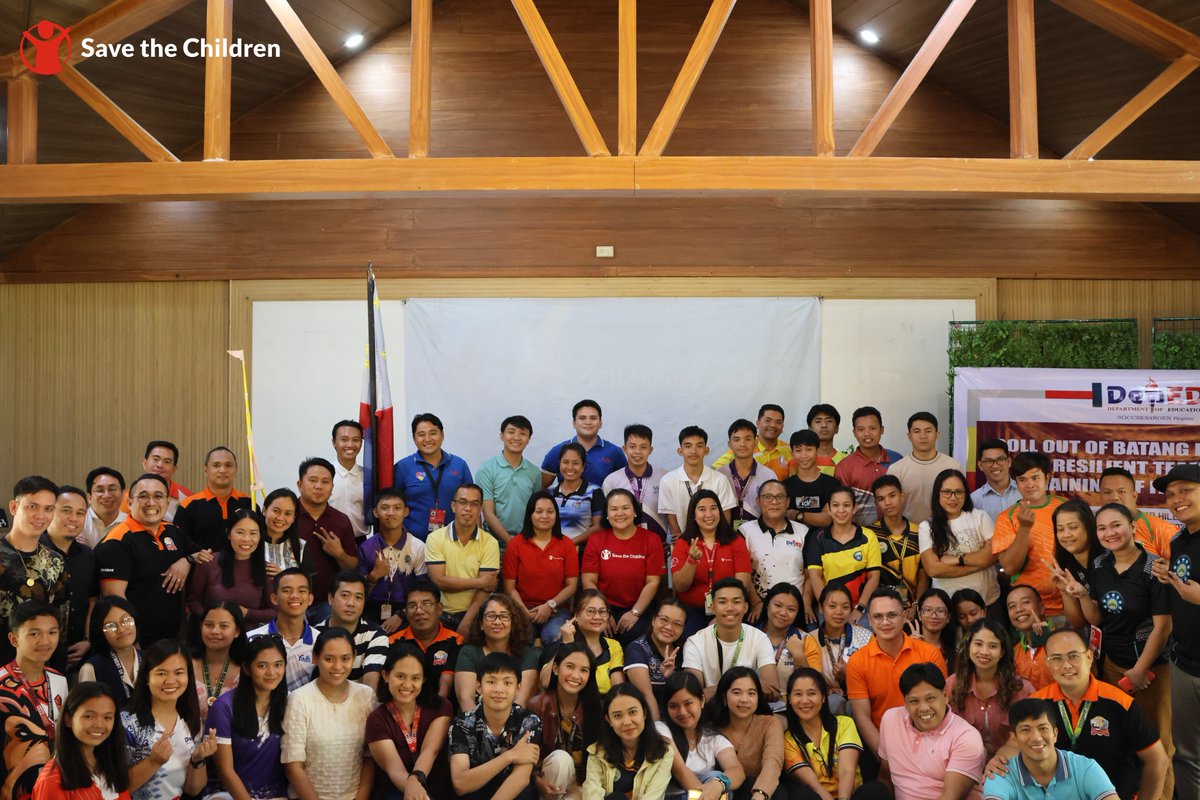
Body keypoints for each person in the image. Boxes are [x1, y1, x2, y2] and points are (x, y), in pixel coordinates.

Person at [1049, 503, 1173, 799]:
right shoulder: (1099, 565)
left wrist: (1141, 668)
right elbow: (1097, 619)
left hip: (1152, 669)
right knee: (1118, 738)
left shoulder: (1152, 568)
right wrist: (1080, 595)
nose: (1109, 533)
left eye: (1116, 525)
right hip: (1111, 665)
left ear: (1133, 527)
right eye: (1102, 528)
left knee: (1157, 743)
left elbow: (1163, 627)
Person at [987, 627, 1168, 800]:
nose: (1066, 665)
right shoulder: (1038, 703)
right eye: (1056, 659)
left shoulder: (1120, 703)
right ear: (1048, 663)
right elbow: (1014, 744)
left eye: (1073, 656)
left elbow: (1157, 759)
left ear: (1089, 657)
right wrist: (999, 759)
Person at [97, 473, 208, 646]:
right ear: (130, 503)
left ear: (167, 502)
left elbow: (203, 554)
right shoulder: (117, 540)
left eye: (158, 496)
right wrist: (133, 644)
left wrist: (187, 560)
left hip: (171, 640)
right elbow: (113, 600)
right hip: (135, 642)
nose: (151, 503)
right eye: (143, 496)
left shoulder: (173, 531)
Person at [1149, 463, 1200, 800]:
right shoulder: (1180, 540)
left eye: (1186, 490)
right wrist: (1167, 576)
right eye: (1170, 494)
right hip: (1185, 664)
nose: (1177, 498)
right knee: (1187, 755)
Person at [845, 588, 947, 755]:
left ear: (905, 616)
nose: (885, 622)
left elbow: (942, 706)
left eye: (892, 615)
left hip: (930, 742)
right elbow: (862, 717)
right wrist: (885, 757)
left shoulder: (929, 654)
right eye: (878, 616)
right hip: (883, 744)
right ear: (869, 620)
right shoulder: (857, 661)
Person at [281, 628, 376, 800]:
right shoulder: (299, 699)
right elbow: (293, 765)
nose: (338, 667)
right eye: (329, 659)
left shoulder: (366, 696)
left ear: (354, 657)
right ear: (315, 657)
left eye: (345, 658)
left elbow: (370, 757)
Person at [121, 641, 217, 800]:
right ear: (146, 676)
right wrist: (153, 762)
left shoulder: (193, 722)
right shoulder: (127, 723)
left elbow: (193, 790)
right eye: (161, 673)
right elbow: (117, 787)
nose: (170, 681)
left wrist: (198, 760)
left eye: (179, 673)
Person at [877, 663, 985, 800]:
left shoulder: (966, 737)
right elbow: (885, 778)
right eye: (914, 701)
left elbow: (950, 796)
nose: (924, 708)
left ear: (945, 696)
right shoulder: (891, 719)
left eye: (931, 698)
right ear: (905, 703)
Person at [365, 641, 455, 800]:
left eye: (415, 678)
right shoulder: (377, 719)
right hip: (397, 791)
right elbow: (395, 770)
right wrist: (418, 793)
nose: (407, 684)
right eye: (400, 676)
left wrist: (416, 780)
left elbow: (430, 750)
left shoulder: (441, 706)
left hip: (439, 789)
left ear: (424, 679)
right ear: (386, 675)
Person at [448, 652, 543, 800]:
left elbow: (520, 778)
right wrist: (510, 756)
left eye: (507, 683)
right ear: (478, 687)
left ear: (518, 689)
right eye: (491, 682)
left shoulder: (529, 721)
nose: (499, 689)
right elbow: (460, 784)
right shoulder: (462, 724)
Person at [782, 668, 888, 800]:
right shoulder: (788, 739)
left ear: (823, 697)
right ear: (790, 699)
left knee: (876, 790)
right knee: (802, 795)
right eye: (798, 694)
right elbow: (813, 785)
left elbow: (846, 772)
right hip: (820, 797)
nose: (804, 700)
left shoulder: (844, 724)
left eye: (811, 693)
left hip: (851, 796)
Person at [981, 698, 1118, 800]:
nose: (1036, 737)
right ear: (1014, 738)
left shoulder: (1085, 768)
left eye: (1043, 728)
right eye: (1025, 730)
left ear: (1055, 734)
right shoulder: (1001, 773)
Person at [0, 602, 70, 800]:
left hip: (52, 788)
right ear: (14, 639)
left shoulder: (59, 680)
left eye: (52, 632)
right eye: (34, 633)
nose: (45, 641)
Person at [209, 634, 289, 800]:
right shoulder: (223, 707)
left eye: (278, 665)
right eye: (262, 665)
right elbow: (225, 771)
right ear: (246, 668)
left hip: (275, 794)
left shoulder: (291, 702)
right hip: (227, 793)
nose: (271, 672)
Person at [581, 490, 664, 645]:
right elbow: (589, 581)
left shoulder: (651, 539)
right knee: (597, 636)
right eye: (613, 509)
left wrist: (635, 613)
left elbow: (652, 582)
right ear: (606, 514)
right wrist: (602, 613)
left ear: (635, 512)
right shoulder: (596, 540)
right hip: (603, 605)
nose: (620, 513)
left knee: (637, 638)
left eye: (625, 508)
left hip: (640, 607)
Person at [2, 478, 70, 665]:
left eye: (48, 509)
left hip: (41, 666)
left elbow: (60, 618)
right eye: (33, 507)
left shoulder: (55, 560)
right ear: (14, 507)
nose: (41, 515)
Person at [992, 452, 1066, 619]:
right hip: (1028, 611)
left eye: (1035, 478)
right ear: (1016, 482)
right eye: (1022, 479)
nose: (1029, 484)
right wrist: (1024, 529)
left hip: (1069, 606)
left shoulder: (1066, 508)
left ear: (1047, 477)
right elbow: (1010, 568)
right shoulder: (1007, 518)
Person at [945, 619, 1034, 758]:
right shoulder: (952, 684)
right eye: (978, 644)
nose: (984, 652)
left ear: (1002, 651)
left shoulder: (1022, 689)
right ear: (968, 647)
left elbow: (1032, 732)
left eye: (992, 646)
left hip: (1010, 763)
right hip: (963, 760)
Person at [681, 578, 780, 700]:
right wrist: (744, 685)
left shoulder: (759, 638)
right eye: (722, 602)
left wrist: (716, 690)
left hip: (749, 710)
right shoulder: (695, 642)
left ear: (745, 607)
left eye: (736, 602)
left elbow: (774, 691)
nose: (730, 608)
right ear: (712, 607)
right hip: (712, 713)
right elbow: (694, 696)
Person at [30, 682, 131, 800]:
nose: (99, 725)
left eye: (107, 717)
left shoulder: (111, 766)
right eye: (89, 716)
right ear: (68, 719)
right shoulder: (53, 779)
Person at [527, 641, 602, 799]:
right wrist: (537, 782)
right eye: (570, 666)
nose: (576, 675)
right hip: (550, 780)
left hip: (584, 784)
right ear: (555, 668)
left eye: (584, 670)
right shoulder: (537, 705)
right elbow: (527, 755)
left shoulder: (597, 708)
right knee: (561, 759)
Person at [919, 469, 1000, 616]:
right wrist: (979, 562)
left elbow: (994, 556)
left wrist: (956, 559)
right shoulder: (927, 526)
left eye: (958, 492)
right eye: (947, 492)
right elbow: (933, 570)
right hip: (948, 607)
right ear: (937, 493)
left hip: (987, 602)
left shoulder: (980, 517)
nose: (953, 497)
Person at [671, 490, 752, 636]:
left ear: (720, 513)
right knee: (690, 637)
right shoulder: (683, 543)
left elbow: (743, 584)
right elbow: (680, 586)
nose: (709, 514)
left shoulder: (736, 542)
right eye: (702, 510)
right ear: (694, 516)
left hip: (729, 609)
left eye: (713, 508)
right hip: (691, 610)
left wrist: (721, 614)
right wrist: (692, 561)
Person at [425, 483, 500, 634]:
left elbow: (486, 588)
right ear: (453, 506)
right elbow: (440, 581)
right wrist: (479, 582)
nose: (468, 508)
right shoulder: (435, 538)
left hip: (475, 615)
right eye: (463, 502)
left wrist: (468, 620)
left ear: (480, 509)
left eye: (474, 504)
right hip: (440, 614)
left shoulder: (490, 542)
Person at [656, 672, 744, 800]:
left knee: (716, 776)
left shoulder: (714, 738)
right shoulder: (661, 730)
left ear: (702, 701)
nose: (682, 712)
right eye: (673, 706)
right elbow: (679, 770)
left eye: (688, 703)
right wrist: (706, 796)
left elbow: (736, 770)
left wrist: (718, 784)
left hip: (707, 795)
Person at [504, 492, 578, 644]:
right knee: (520, 638)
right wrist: (524, 612)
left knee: (554, 636)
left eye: (550, 511)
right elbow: (510, 588)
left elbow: (572, 586)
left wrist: (549, 605)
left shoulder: (567, 545)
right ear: (530, 514)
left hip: (557, 609)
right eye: (539, 511)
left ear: (556, 515)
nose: (545, 516)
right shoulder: (515, 544)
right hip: (522, 608)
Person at [803, 486, 881, 624]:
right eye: (835, 505)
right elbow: (815, 575)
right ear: (828, 509)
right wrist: (827, 607)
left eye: (846, 505)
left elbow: (874, 576)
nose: (841, 510)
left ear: (854, 508)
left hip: (860, 610)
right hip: (828, 609)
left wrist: (860, 608)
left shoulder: (868, 536)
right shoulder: (818, 537)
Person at [705, 667, 785, 800]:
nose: (744, 699)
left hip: (763, 794)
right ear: (724, 696)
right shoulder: (712, 728)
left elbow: (773, 762)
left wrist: (760, 794)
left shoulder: (769, 723)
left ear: (758, 698)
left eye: (751, 693)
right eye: (737, 692)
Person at [582, 684, 673, 800]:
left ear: (644, 713)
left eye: (633, 712)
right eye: (618, 716)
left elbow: (654, 796)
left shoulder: (663, 752)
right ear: (608, 720)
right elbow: (591, 794)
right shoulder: (597, 752)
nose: (627, 722)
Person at [394, 413, 474, 541]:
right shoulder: (403, 467)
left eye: (433, 433)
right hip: (413, 544)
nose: (427, 439)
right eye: (421, 434)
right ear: (414, 438)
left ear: (442, 435)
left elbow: (472, 504)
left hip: (454, 541)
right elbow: (392, 505)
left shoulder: (459, 465)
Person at [42, 486, 96, 672]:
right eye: (66, 511)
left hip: (77, 654)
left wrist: (88, 640)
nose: (74, 518)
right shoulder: (33, 552)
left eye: (80, 513)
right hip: (39, 656)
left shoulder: (88, 555)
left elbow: (92, 600)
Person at [293, 458, 358, 615]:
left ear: (332, 487)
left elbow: (353, 567)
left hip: (328, 603)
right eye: (313, 481)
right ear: (300, 485)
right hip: (293, 600)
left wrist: (339, 554)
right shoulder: (287, 516)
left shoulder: (341, 520)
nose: (319, 486)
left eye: (325, 482)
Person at [186, 509, 274, 625]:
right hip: (212, 634)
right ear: (228, 533)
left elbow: (275, 611)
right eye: (240, 532)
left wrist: (247, 613)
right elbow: (193, 601)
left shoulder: (266, 569)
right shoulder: (208, 562)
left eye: (253, 533)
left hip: (250, 637)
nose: (246, 539)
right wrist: (213, 621)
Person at [359, 488, 428, 632]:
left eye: (397, 508)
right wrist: (374, 576)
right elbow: (358, 591)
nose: (391, 513)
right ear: (375, 512)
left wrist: (402, 615)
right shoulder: (366, 547)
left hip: (408, 609)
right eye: (384, 508)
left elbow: (423, 590)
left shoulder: (418, 546)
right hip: (371, 607)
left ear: (406, 511)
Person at [740, 480, 808, 623]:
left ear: (788, 501)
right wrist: (756, 602)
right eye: (768, 497)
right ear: (758, 501)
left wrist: (806, 603)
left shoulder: (803, 531)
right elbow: (743, 574)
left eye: (780, 497)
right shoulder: (745, 531)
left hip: (794, 607)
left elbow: (810, 574)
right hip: (759, 606)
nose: (774, 502)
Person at [456, 594, 539, 710]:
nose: (497, 622)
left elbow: (522, 701)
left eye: (504, 616)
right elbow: (465, 699)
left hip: (515, 722)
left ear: (513, 623)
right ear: (481, 624)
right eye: (491, 616)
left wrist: (504, 727)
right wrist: (482, 728)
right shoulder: (469, 652)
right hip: (473, 722)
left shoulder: (527, 654)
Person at [388, 579, 463, 701]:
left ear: (439, 609)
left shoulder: (456, 642)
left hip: (442, 711)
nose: (419, 611)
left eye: (427, 604)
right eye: (412, 605)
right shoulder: (393, 642)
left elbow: (446, 684)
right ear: (406, 613)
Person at [315, 570, 390, 691]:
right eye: (345, 595)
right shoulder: (315, 634)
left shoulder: (376, 635)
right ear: (330, 598)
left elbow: (369, 691)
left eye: (358, 597)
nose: (351, 603)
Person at [245, 568, 317, 692]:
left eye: (301, 590)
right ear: (274, 598)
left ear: (310, 599)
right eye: (287, 590)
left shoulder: (321, 641)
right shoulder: (252, 638)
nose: (294, 596)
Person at [540, 590, 626, 696]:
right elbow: (546, 683)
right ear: (576, 615)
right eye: (591, 611)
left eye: (603, 611)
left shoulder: (613, 646)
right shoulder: (562, 644)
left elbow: (619, 690)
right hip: (571, 705)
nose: (597, 617)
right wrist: (566, 643)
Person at [658, 427, 737, 539]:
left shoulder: (720, 479)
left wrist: (711, 543)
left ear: (706, 450)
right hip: (682, 545)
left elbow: (725, 518)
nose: (693, 451)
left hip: (714, 544)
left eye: (699, 446)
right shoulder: (668, 480)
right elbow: (672, 521)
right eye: (688, 446)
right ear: (680, 451)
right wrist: (684, 545)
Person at [477, 415, 544, 546]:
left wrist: (524, 543)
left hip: (526, 542)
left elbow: (535, 510)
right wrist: (511, 542)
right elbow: (488, 513)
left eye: (523, 433)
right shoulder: (486, 469)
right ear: (502, 435)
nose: (517, 438)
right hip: (492, 544)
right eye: (511, 432)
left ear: (529, 439)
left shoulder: (534, 472)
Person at [887, 412, 964, 524]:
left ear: (937, 434)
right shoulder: (896, 470)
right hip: (909, 534)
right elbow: (891, 505)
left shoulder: (953, 466)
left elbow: (961, 501)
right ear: (909, 436)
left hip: (946, 532)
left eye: (928, 431)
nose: (923, 436)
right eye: (917, 431)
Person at [172, 447, 252, 553]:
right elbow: (178, 543)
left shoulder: (249, 503)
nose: (223, 470)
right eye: (216, 465)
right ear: (206, 470)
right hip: (202, 568)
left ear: (235, 470)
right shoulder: (189, 505)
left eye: (228, 465)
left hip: (243, 568)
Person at [833, 407, 902, 526]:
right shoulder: (844, 467)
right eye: (861, 429)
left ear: (882, 429)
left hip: (896, 533)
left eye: (873, 428)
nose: (867, 434)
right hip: (861, 536)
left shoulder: (897, 460)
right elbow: (841, 505)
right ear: (854, 432)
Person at [810, 585, 873, 716]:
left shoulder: (866, 637)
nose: (839, 612)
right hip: (827, 699)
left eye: (845, 607)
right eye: (832, 606)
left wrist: (849, 675)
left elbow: (874, 679)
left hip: (861, 696)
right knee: (833, 702)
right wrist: (825, 689)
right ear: (821, 608)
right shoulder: (810, 639)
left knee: (854, 705)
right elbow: (808, 679)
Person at [869, 475, 925, 614]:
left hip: (913, 606)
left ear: (902, 496)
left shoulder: (920, 532)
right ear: (876, 503)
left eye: (892, 495)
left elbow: (923, 573)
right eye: (881, 499)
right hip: (881, 608)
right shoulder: (869, 534)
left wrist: (916, 605)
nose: (887, 502)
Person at [600, 424, 668, 540]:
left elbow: (671, 513)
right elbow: (606, 517)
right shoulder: (611, 481)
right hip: (622, 546)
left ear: (650, 450)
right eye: (632, 446)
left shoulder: (664, 477)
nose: (637, 452)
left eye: (643, 447)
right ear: (624, 448)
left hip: (658, 546)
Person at [624, 599, 687, 721]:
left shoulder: (685, 649)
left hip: (679, 717)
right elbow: (647, 696)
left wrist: (671, 677)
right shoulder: (637, 649)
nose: (669, 627)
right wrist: (659, 734)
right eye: (664, 620)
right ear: (653, 620)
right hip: (648, 719)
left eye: (677, 624)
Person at [540, 400, 627, 489]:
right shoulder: (558, 451)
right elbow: (541, 488)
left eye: (593, 418)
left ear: (600, 423)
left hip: (603, 502)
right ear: (574, 423)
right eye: (582, 418)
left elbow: (626, 486)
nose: (588, 422)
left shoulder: (615, 452)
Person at [1098, 466, 1176, 558]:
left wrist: (1168, 570)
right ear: (1100, 497)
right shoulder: (1092, 531)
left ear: (1134, 496)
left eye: (1122, 491)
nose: (1114, 497)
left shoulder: (1162, 529)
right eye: (1107, 492)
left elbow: (1187, 568)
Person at [715, 420, 779, 526]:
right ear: (729, 444)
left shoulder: (769, 476)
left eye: (748, 439)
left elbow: (775, 510)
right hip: (726, 535)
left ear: (756, 442)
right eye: (736, 439)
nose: (742, 444)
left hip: (760, 534)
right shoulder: (720, 475)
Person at [78, 598, 140, 705]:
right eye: (111, 626)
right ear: (99, 631)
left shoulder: (151, 660)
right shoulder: (92, 668)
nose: (121, 630)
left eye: (126, 620)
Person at [189, 600, 246, 717]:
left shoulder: (246, 670)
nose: (215, 631)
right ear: (201, 626)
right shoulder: (185, 665)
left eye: (223, 626)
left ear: (237, 631)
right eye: (209, 625)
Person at [1050, 500, 1102, 627]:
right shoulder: (1066, 566)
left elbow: (1100, 618)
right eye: (1060, 529)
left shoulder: (1109, 560)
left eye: (1073, 527)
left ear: (1089, 527)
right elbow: (1078, 623)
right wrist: (1064, 591)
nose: (1066, 535)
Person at [712, 405, 793, 482]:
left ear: (782, 427)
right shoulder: (742, 449)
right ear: (757, 423)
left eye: (778, 422)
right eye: (768, 420)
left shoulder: (789, 449)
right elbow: (712, 471)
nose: (773, 425)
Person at [760, 583, 817, 691]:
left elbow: (814, 686)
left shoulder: (806, 639)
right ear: (767, 605)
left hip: (793, 704)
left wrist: (799, 657)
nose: (783, 613)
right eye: (777, 605)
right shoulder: (750, 635)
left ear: (797, 613)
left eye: (791, 609)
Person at [548, 445, 605, 545]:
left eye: (576, 463)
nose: (570, 467)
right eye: (565, 462)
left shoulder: (594, 491)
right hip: (552, 551)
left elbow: (599, 526)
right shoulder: (550, 491)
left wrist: (570, 544)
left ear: (583, 466)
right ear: (559, 464)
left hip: (581, 551)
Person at [120, 442, 190, 523]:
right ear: (145, 463)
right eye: (156, 459)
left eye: (167, 461)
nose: (160, 465)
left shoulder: (187, 497)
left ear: (174, 468)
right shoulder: (127, 498)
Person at [783, 431, 838, 531]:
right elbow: (783, 518)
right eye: (798, 450)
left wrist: (797, 514)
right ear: (792, 454)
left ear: (817, 451)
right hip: (793, 542)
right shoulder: (785, 486)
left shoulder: (833, 484)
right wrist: (817, 517)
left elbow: (828, 519)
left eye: (809, 449)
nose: (804, 455)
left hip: (825, 542)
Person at [1005, 585, 1052, 690]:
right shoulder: (1015, 653)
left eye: (1025, 602)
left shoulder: (1064, 639)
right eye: (1012, 606)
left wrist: (1050, 639)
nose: (1019, 609)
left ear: (1041, 608)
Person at [259, 488, 314, 578]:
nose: (280, 518)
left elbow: (307, 586)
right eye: (276, 511)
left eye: (288, 513)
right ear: (264, 510)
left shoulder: (301, 546)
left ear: (294, 518)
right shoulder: (250, 542)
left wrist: (282, 577)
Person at [329, 420, 367, 540]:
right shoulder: (325, 475)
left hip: (360, 542)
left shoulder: (368, 476)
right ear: (334, 442)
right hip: (328, 542)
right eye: (344, 440)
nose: (350, 445)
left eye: (355, 440)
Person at [969, 440, 1021, 523]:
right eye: (988, 461)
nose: (995, 465)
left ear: (1009, 462)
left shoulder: (1025, 491)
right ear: (980, 465)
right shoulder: (974, 500)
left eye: (1000, 459)